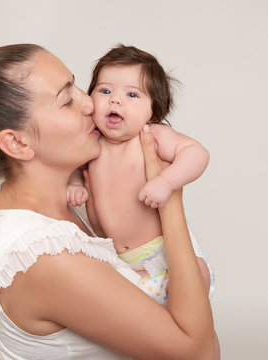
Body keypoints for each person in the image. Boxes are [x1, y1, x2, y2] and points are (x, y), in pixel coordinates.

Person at [0, 44, 215, 359]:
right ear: (17, 142)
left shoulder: (48, 210)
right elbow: (202, 353)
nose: (90, 103)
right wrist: (171, 199)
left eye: (78, 86)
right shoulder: (45, 256)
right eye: (67, 99)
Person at [67, 45, 213, 304]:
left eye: (132, 94)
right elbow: (75, 168)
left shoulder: (151, 136)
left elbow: (197, 153)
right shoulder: (92, 142)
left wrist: (166, 182)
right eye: (105, 90)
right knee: (147, 329)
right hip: (120, 263)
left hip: (163, 254)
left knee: (195, 285)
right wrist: (77, 184)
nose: (115, 100)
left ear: (154, 111)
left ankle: (205, 340)